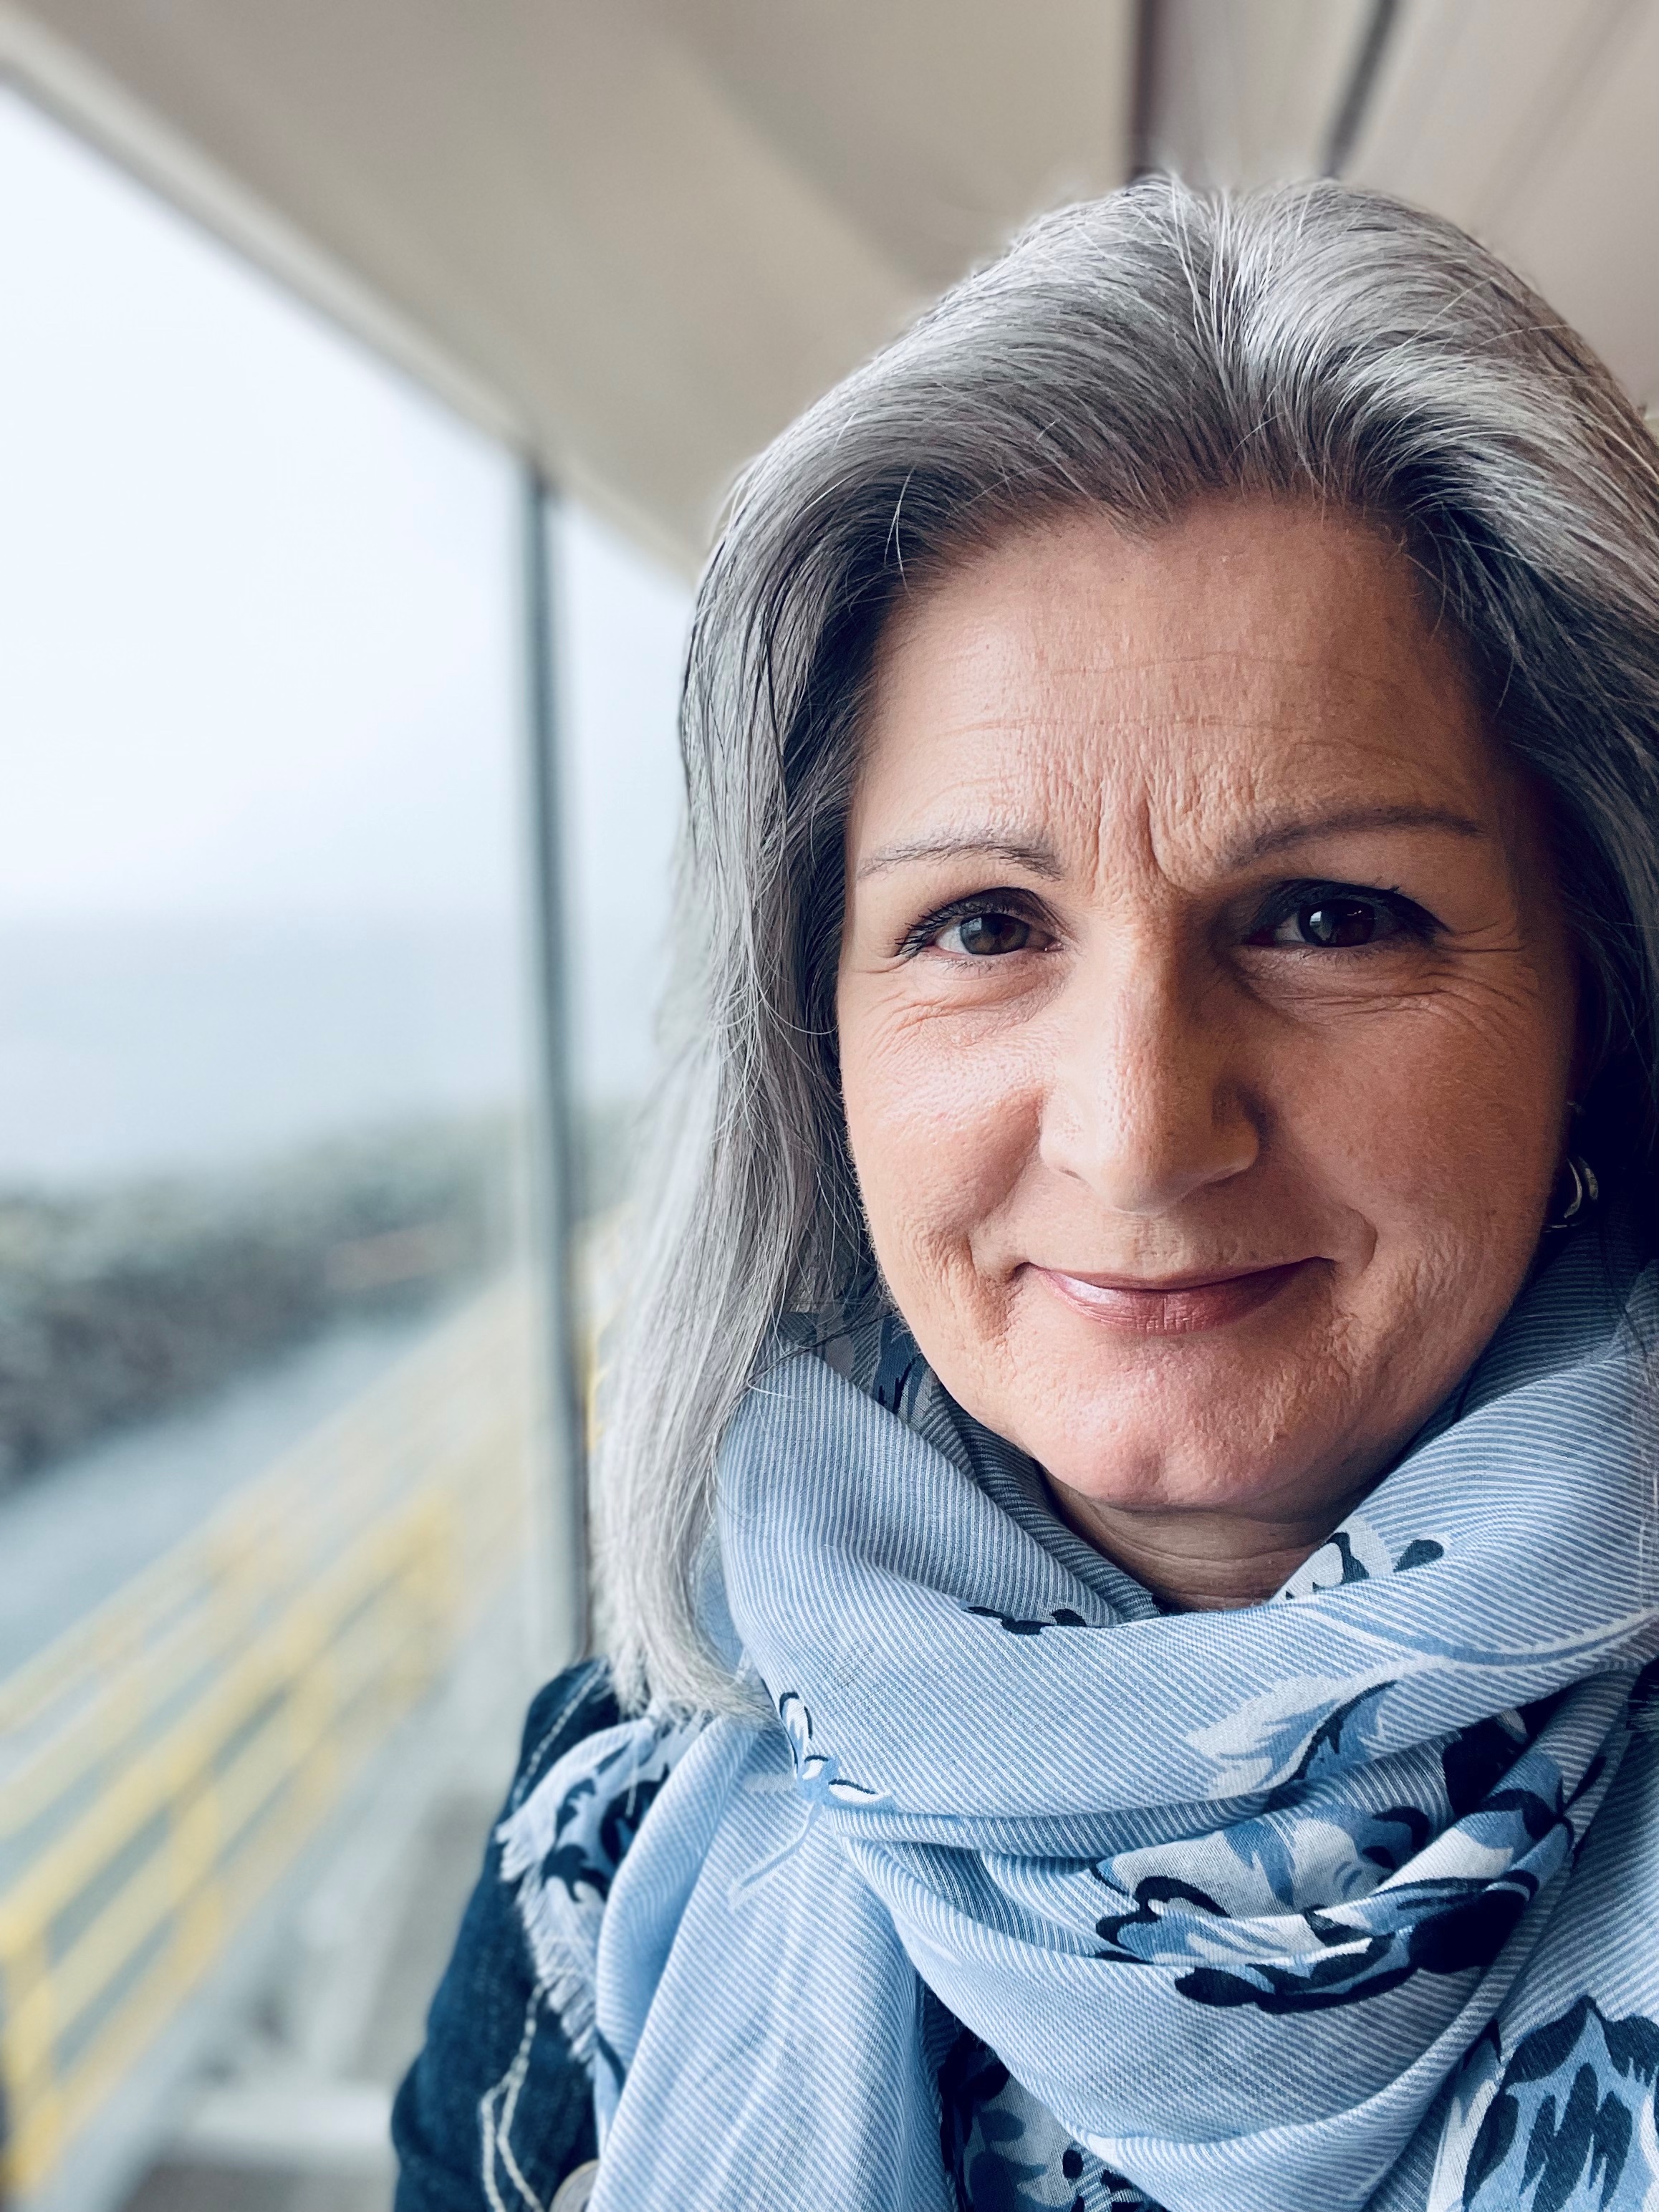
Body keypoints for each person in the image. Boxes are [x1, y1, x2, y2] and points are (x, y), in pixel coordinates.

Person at [392, 176, 1659, 2212]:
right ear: (818, 1045)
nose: (1136, 1129)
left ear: (1595, 994)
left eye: (1327, 915)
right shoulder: (600, 1856)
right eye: (983, 924)